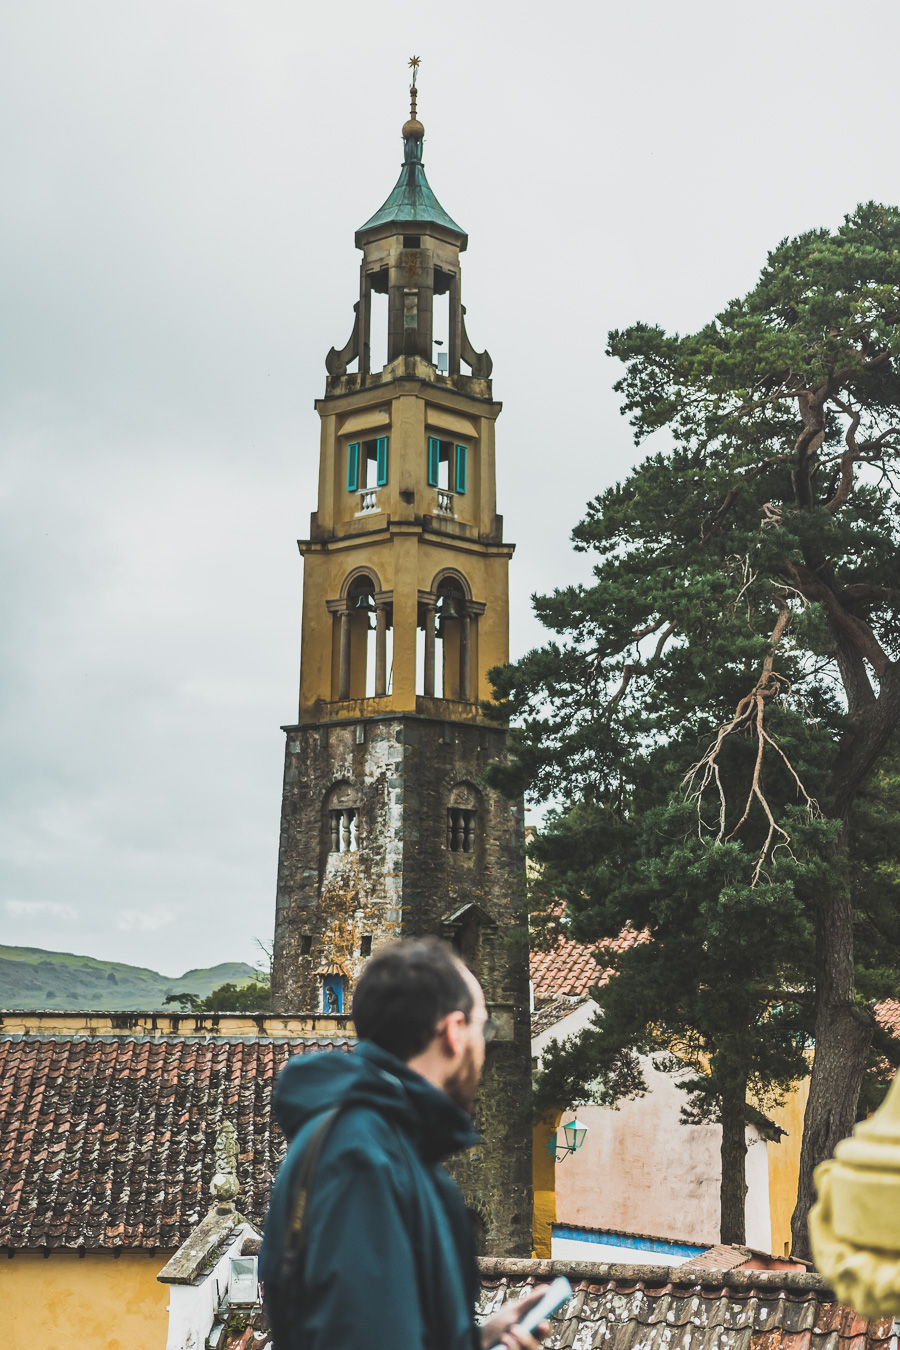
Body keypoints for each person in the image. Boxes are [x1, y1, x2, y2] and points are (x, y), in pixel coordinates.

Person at [260, 937, 550, 1350]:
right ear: (454, 1032)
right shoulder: (362, 1158)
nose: (483, 1048)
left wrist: (476, 1341)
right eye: (482, 1027)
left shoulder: (379, 1142)